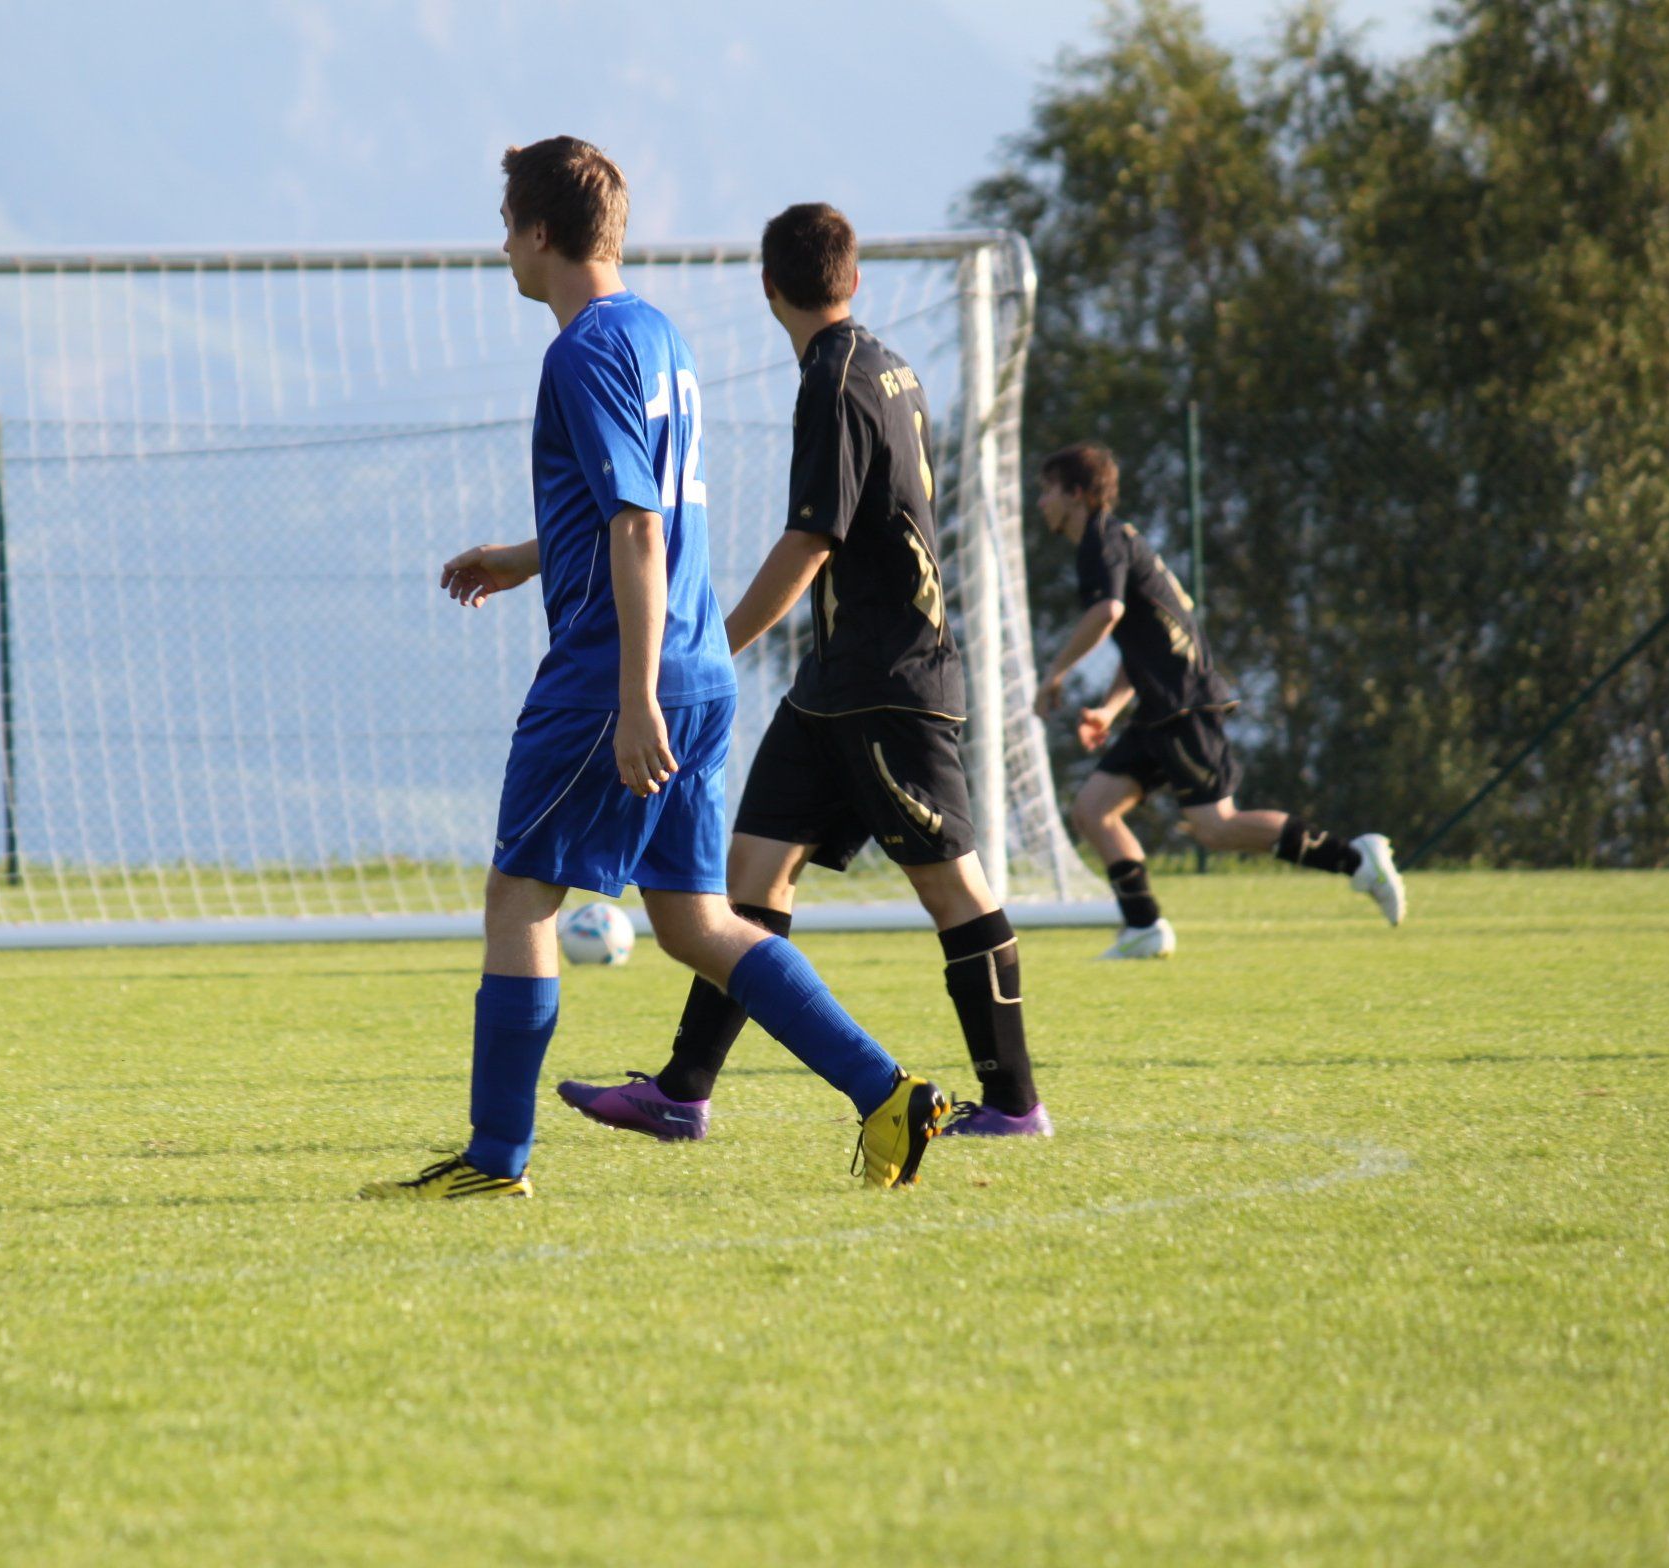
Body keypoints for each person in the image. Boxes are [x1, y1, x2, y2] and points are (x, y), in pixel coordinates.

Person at [361, 142, 949, 1201]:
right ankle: (887, 1091)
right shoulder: (658, 335)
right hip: (700, 665)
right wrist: (528, 554)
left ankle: (495, 1159)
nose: (503, 247)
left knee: (520, 894)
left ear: (542, 233)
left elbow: (639, 525)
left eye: (507, 226)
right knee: (695, 922)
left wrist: (632, 698)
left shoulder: (581, 351)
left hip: (613, 675)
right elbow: (644, 508)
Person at [556, 203, 1050, 1145]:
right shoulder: (890, 363)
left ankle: (1016, 1104)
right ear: (852, 278)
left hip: (889, 682)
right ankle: (682, 1090)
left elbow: (811, 540)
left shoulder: (832, 378)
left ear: (768, 287)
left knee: (952, 886)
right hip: (832, 684)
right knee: (750, 875)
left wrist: (715, 646)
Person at [1032, 441, 1405, 958]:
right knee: (1093, 810)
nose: (1041, 503)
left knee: (1218, 826)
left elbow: (1108, 613)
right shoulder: (1112, 540)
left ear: (1077, 493)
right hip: (1160, 706)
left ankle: (1356, 859)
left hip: (1184, 704)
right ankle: (1143, 927)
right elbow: (1143, 644)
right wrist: (1110, 710)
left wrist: (1054, 673)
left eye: (1048, 490)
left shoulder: (1102, 540)